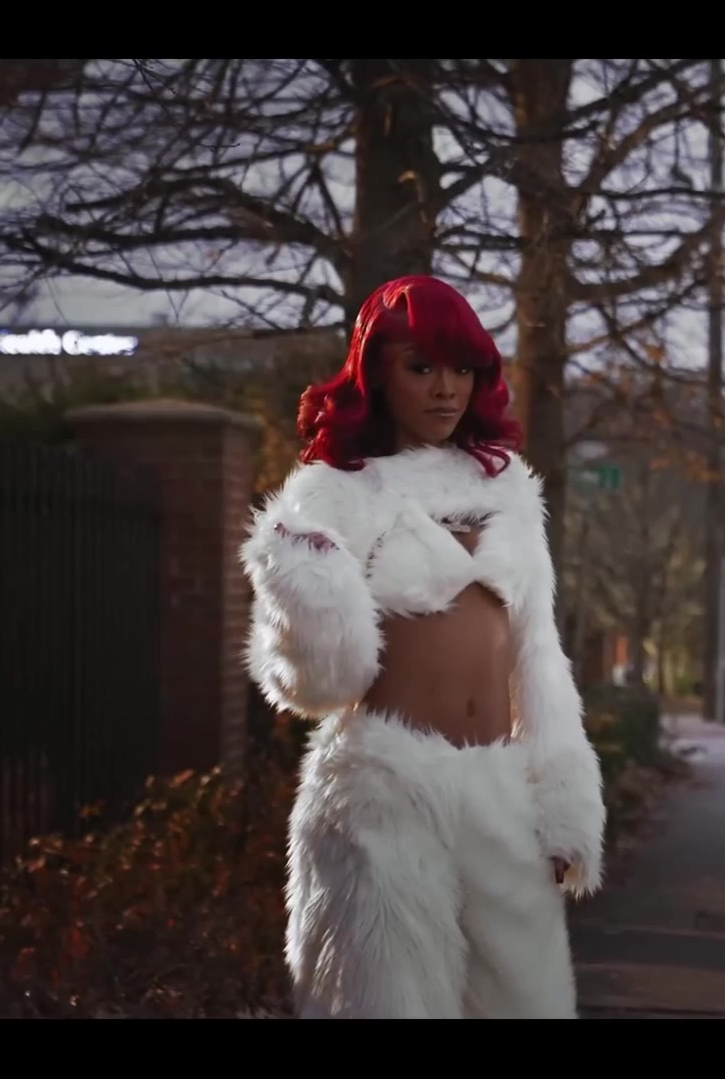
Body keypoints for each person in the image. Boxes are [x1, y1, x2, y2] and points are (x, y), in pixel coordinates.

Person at [237, 275, 606, 1019]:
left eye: (462, 368)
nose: (446, 389)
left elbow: (538, 657)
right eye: (422, 366)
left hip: (500, 798)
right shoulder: (330, 493)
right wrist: (303, 580)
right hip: (382, 796)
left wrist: (565, 803)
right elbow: (317, 687)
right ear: (377, 371)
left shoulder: (507, 488)